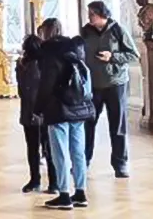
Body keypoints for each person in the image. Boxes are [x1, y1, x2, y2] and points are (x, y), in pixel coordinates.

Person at [36, 18, 95, 210]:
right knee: (78, 151)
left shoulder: (49, 52)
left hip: (58, 107)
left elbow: (46, 84)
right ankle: (80, 191)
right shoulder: (74, 47)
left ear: (45, 32)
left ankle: (63, 194)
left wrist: (38, 107)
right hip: (78, 104)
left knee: (59, 152)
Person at [80, 0, 139, 178]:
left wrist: (112, 56)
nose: (89, 17)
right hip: (93, 85)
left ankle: (120, 163)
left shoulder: (117, 30)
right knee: (88, 124)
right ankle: (83, 161)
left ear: (102, 14)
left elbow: (133, 55)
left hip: (115, 83)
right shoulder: (85, 32)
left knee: (117, 125)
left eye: (92, 14)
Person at [16, 34, 56, 193]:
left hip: (32, 112)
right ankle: (52, 182)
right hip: (41, 111)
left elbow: (22, 91)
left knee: (36, 148)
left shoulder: (23, 65)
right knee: (46, 148)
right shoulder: (43, 64)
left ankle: (38, 180)